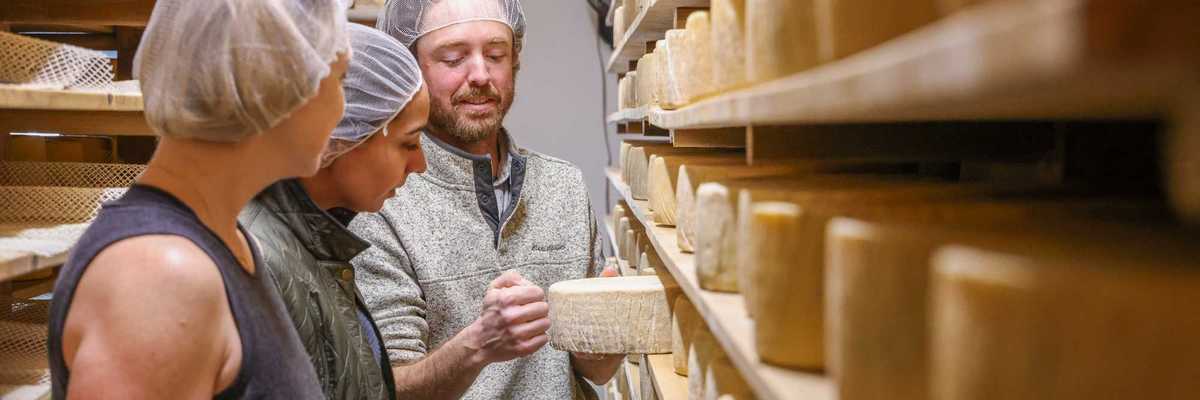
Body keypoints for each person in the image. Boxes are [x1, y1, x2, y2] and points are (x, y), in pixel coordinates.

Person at [46, 0, 350, 398]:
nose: (343, 109)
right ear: (273, 79)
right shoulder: (160, 278)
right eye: (341, 80)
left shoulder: (225, 240)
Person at [351, 0, 623, 399]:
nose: (480, 74)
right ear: (411, 69)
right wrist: (477, 345)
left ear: (515, 60)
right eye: (453, 58)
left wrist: (602, 335)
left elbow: (594, 372)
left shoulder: (562, 184)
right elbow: (388, 388)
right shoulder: (383, 203)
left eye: (496, 54)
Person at [239, 23, 429, 400]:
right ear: (340, 135)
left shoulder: (312, 243)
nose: (420, 164)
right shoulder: (260, 262)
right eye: (409, 143)